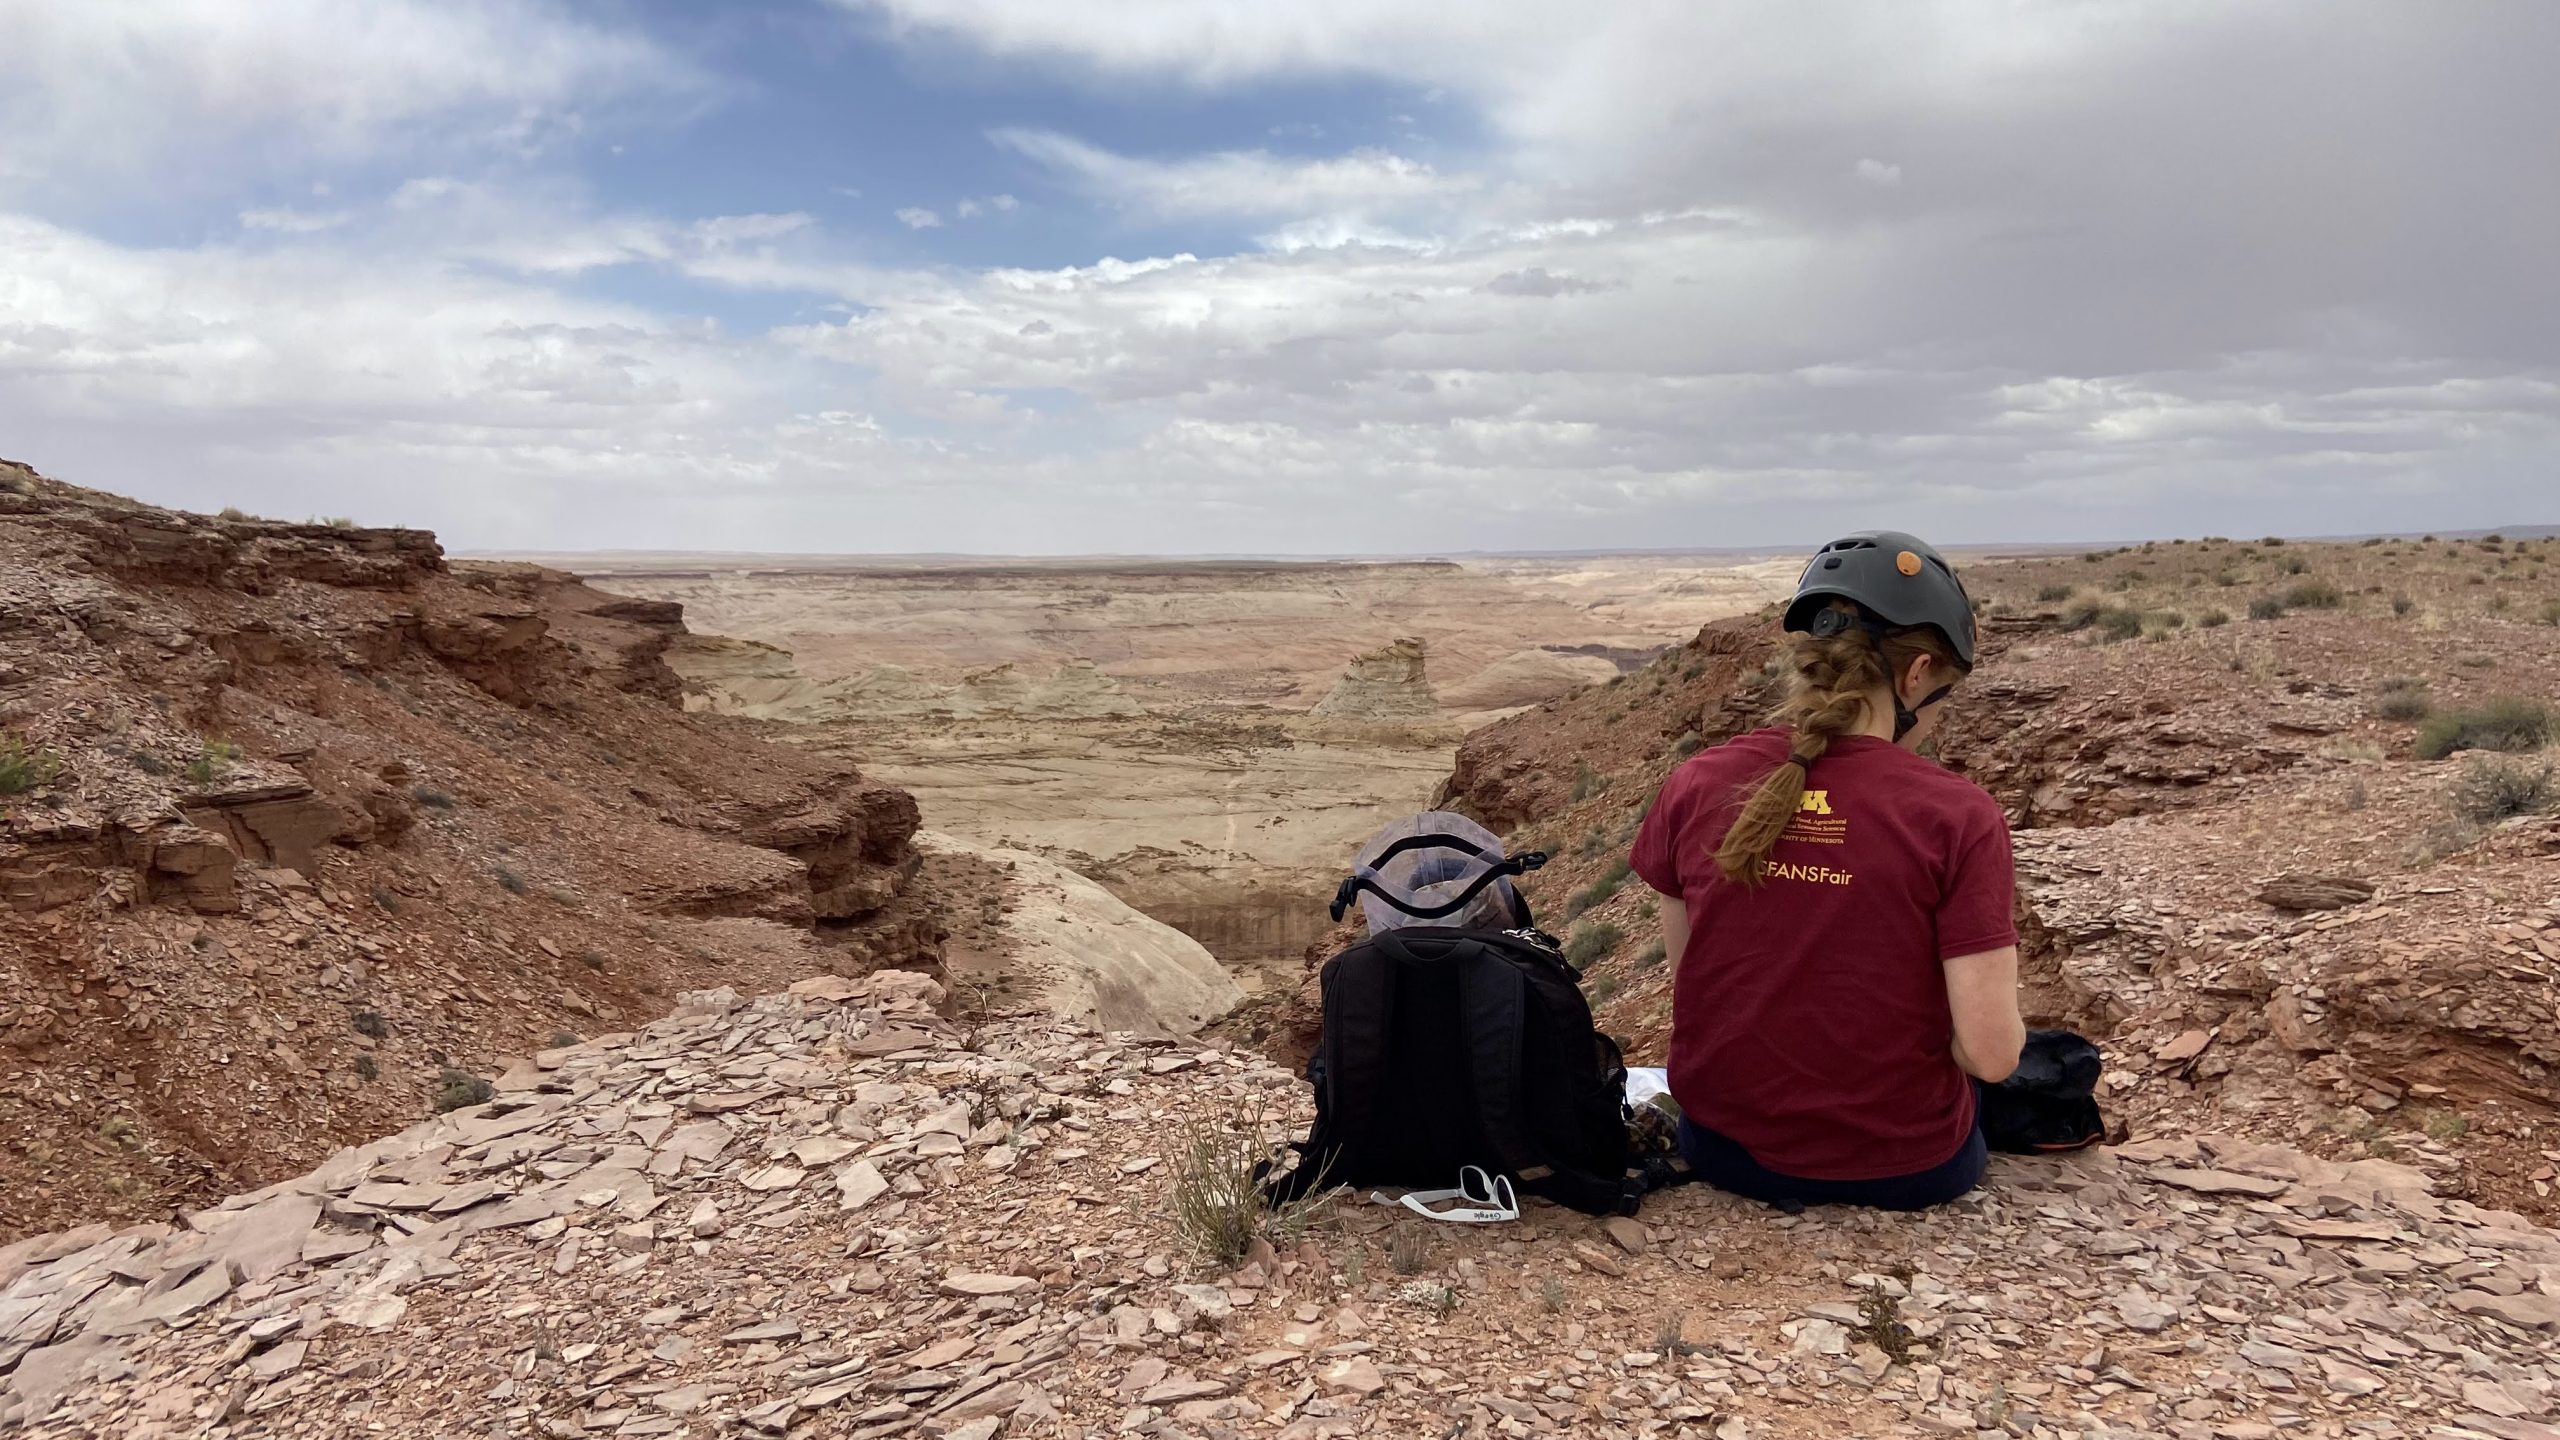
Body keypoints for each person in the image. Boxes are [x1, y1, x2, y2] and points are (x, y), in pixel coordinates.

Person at [1628, 532, 2025, 1210]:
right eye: (1943, 698)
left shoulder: (1697, 782)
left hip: (1725, 1147)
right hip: (1906, 1165)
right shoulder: (1959, 815)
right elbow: (1991, 1057)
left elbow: (1696, 979)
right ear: (1917, 674)